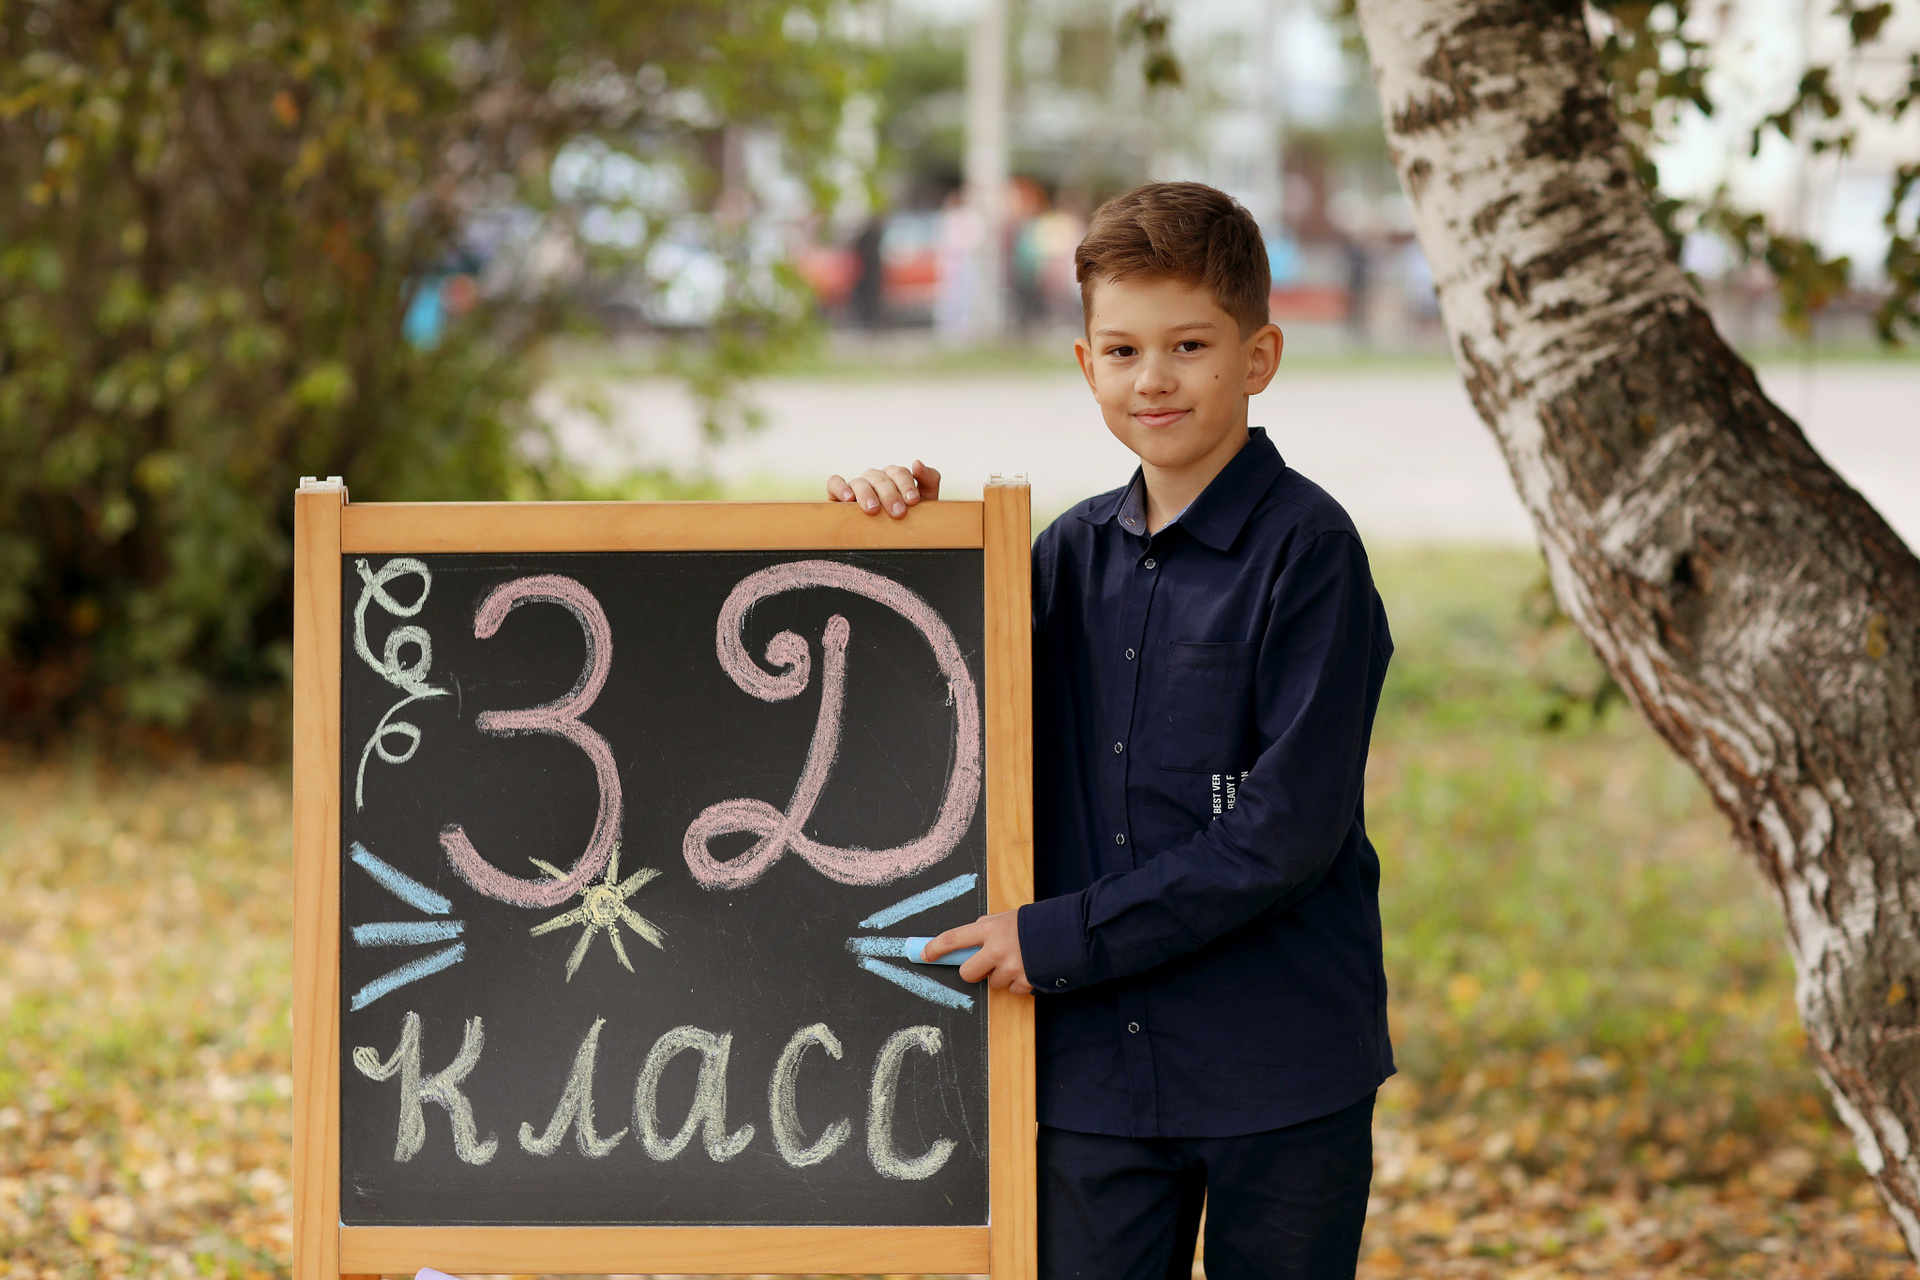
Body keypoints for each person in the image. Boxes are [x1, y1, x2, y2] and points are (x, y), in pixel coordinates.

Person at [827, 181, 1394, 1280]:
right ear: (1088, 364)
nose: (1154, 379)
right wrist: (912, 544)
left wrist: (1057, 938)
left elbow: (1284, 833)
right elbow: (947, 722)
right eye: (1124, 350)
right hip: (1094, 1075)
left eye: (1190, 345)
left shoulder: (1310, 552)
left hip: (1279, 1069)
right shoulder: (1061, 555)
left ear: (1259, 356)